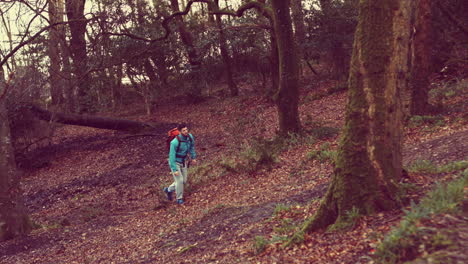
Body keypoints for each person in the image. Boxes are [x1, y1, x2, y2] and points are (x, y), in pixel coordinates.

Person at [163, 123, 197, 204]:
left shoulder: (190, 137)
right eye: (183, 130)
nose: (186, 132)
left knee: (184, 181)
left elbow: (192, 147)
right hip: (175, 162)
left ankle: (168, 190)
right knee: (179, 181)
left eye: (186, 130)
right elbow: (171, 156)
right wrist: (174, 169)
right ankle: (179, 199)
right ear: (180, 131)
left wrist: (193, 157)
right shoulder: (174, 142)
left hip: (183, 161)